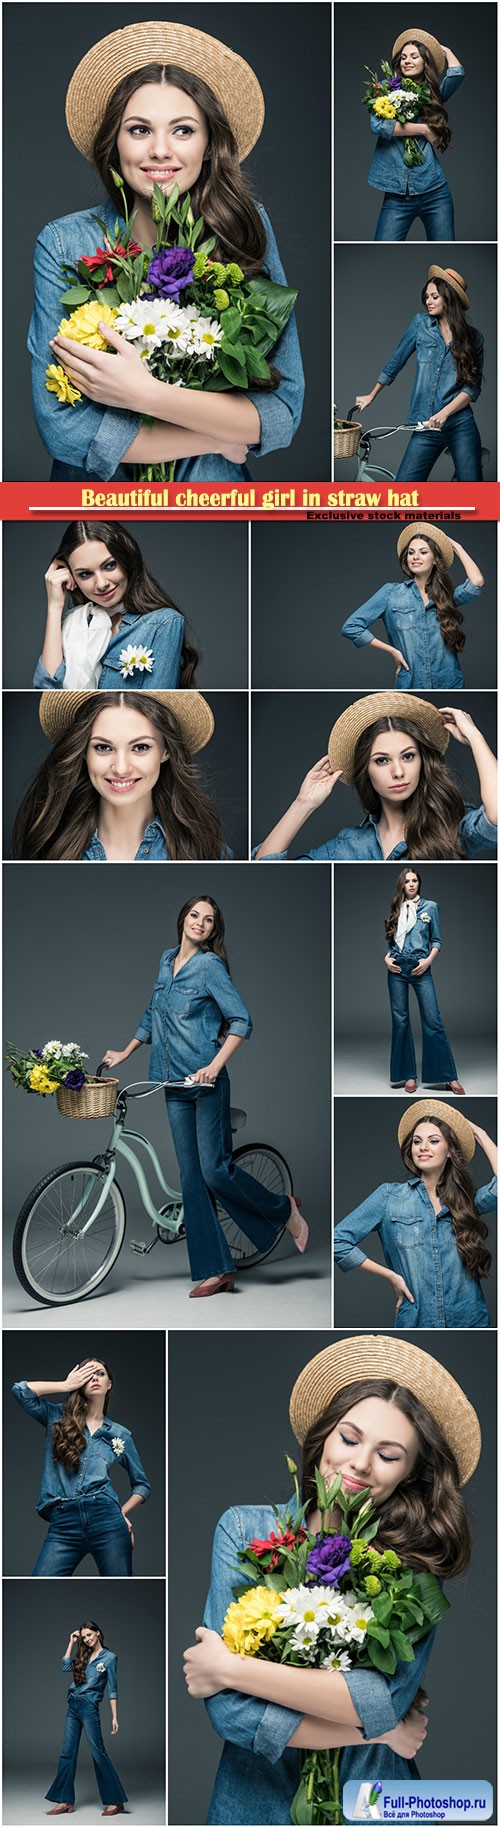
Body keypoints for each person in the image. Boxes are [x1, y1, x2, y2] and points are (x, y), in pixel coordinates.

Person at [182, 1333, 481, 1821]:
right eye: (349, 1437)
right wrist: (379, 1730)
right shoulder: (245, 1529)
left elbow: (382, 1700)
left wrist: (232, 1669)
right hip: (254, 1803)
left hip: (375, 1801)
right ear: (323, 1435)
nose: (361, 1463)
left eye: (389, 1455)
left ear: (410, 1472)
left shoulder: (414, 1561)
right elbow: (232, 1715)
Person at [28, 20, 304, 483]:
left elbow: (280, 413)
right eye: (139, 130)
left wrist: (145, 395)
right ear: (114, 146)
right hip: (100, 502)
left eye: (182, 130)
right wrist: (216, 434)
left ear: (208, 144)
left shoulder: (244, 226)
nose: (159, 150)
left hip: (213, 498)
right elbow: (64, 431)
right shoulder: (63, 244)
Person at [100, 892, 307, 1297]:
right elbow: (153, 1012)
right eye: (195, 915)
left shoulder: (210, 967)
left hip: (206, 1084)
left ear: (214, 929)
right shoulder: (165, 960)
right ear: (183, 919)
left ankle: (285, 1210)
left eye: (208, 920)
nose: (200, 923)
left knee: (214, 1170)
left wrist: (213, 1066)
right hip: (171, 1084)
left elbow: (242, 1021)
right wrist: (126, 1051)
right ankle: (217, 1269)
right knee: (192, 1179)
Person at [253, 692, 498, 861]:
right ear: (366, 771)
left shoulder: (452, 824)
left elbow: (496, 816)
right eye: (382, 760)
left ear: (423, 761)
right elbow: (264, 867)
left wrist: (475, 737)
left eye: (408, 756)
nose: (398, 772)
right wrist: (303, 804)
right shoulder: (347, 846)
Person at [12, 689, 231, 861]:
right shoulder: (47, 849)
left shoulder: (207, 851)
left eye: (141, 747)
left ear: (166, 751)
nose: (122, 768)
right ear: (84, 752)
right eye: (103, 748)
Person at [334, 1102, 496, 1327]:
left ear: (449, 1151)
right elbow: (338, 1240)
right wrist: (391, 1276)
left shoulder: (465, 1200)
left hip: (470, 1320)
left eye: (434, 1141)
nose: (423, 1147)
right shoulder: (390, 1197)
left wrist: (479, 1133)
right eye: (417, 1141)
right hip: (417, 1320)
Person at [11, 1356, 150, 1576]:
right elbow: (20, 1390)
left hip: (108, 1520)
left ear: (109, 1384)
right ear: (80, 1382)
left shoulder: (120, 1435)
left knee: (117, 1587)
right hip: (64, 1523)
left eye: (100, 1374)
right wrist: (65, 1385)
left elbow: (142, 1485)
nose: (94, 1378)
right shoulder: (57, 1417)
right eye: (88, 1374)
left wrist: (121, 1512)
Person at [33, 520, 199, 690]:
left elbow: (154, 703)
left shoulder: (163, 624)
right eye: (85, 574)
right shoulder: (75, 623)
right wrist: (54, 607)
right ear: (73, 578)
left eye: (110, 565)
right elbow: (47, 688)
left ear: (127, 560)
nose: (101, 583)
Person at [354, 267, 484, 481]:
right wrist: (371, 395)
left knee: (474, 494)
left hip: (460, 425)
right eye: (426, 297)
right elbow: (396, 361)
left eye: (434, 296)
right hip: (425, 425)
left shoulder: (474, 338)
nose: (428, 302)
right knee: (405, 493)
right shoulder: (420, 324)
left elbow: (471, 388)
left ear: (449, 299)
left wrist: (445, 413)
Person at [341, 524, 484, 689]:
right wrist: (393, 651)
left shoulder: (446, 596)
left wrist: (456, 547)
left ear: (435, 560)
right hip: (410, 683)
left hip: (450, 681)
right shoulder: (391, 593)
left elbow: (476, 582)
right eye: (411, 552)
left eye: (423, 552)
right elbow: (351, 626)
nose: (415, 557)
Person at [367, 30, 464, 243]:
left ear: (425, 61)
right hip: (397, 195)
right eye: (403, 57)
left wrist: (441, 49)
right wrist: (424, 129)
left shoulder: (431, 93)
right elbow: (380, 126)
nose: (407, 61)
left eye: (414, 56)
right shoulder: (385, 88)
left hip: (435, 190)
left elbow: (457, 73)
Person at [383, 867, 464, 1092]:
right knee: (400, 1022)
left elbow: (437, 941)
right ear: (402, 884)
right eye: (407, 881)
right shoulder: (397, 909)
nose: (411, 884)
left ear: (419, 883)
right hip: (397, 968)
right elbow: (391, 944)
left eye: (415, 880)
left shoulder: (431, 907)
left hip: (421, 967)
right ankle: (408, 1075)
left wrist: (427, 962)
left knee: (433, 1020)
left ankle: (448, 1076)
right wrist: (386, 960)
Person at [45, 1620, 127, 1816]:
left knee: (98, 1753)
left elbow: (113, 1689)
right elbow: (65, 1667)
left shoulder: (110, 1658)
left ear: (98, 1633)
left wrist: (115, 1717)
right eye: (84, 1637)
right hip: (73, 1706)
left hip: (89, 1707)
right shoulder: (84, 1655)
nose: (87, 1640)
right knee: (67, 1752)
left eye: (89, 1635)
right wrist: (71, 1642)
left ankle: (115, 1800)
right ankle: (65, 1800)